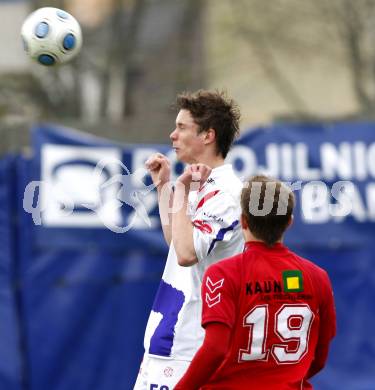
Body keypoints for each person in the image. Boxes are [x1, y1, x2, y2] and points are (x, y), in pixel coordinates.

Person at [175, 175, 337, 390]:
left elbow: (215, 348)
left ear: (243, 221)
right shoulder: (317, 276)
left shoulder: (224, 273)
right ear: (289, 222)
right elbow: (318, 357)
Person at [133, 90, 245, 389]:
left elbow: (186, 254)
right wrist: (164, 188)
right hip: (164, 343)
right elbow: (175, 242)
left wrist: (180, 191)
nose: (172, 135)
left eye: (182, 127)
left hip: (192, 346)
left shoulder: (227, 193)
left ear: (208, 135)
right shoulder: (197, 182)